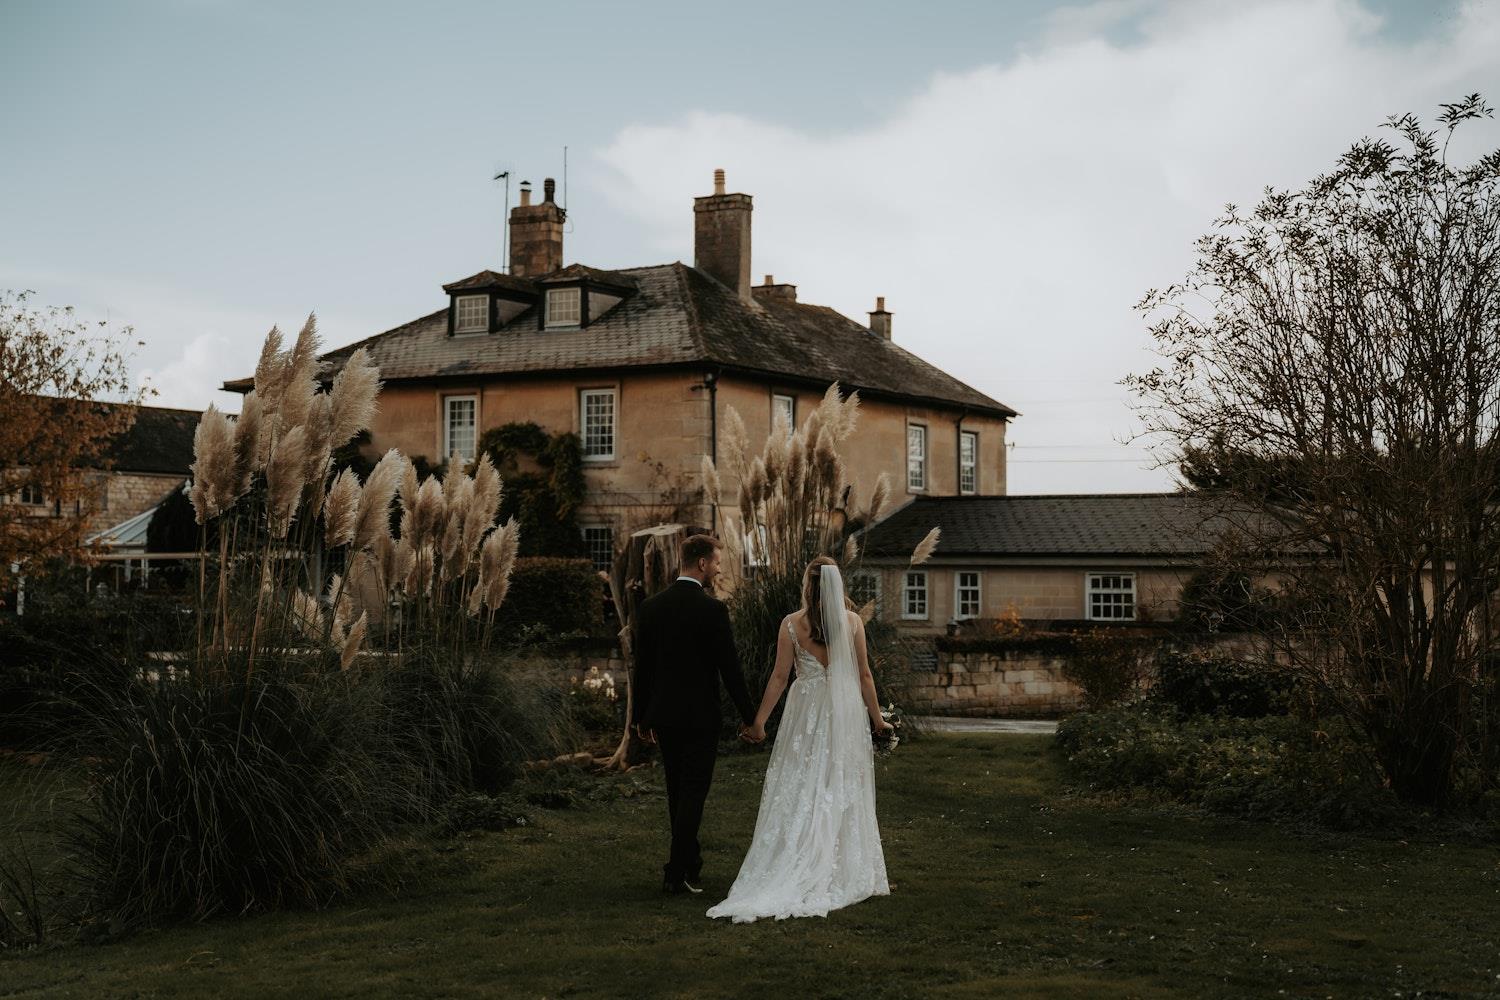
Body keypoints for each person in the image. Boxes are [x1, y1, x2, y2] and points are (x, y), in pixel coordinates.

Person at [706, 555, 894, 923]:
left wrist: (758, 723)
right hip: (843, 712)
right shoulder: (853, 622)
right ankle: (841, 865)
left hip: (805, 711)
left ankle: (800, 856)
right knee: (840, 782)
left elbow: (779, 678)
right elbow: (865, 676)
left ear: (807, 585)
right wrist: (878, 721)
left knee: (802, 780)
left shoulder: (791, 625)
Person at [632, 534, 759, 895]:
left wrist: (641, 717)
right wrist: (750, 717)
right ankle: (676, 871)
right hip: (702, 717)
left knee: (677, 790)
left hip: (665, 717)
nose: (719, 568)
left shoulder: (651, 608)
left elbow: (642, 668)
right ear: (701, 564)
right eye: (717, 562)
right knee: (694, 792)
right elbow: (729, 670)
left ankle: (691, 862)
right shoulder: (713, 610)